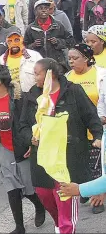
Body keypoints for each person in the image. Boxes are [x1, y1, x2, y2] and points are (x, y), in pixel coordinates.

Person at [19, 58, 103, 234]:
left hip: (68, 158)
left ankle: (65, 228)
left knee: (65, 198)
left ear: (51, 74)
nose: (34, 78)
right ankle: (59, 225)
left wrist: (97, 136)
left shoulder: (73, 91)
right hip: (42, 158)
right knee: (44, 194)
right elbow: (22, 126)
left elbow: (91, 116)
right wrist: (30, 139)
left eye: (37, 73)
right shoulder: (32, 95)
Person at [0, 62, 46, 234]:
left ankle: (40, 207)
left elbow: (32, 124)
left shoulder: (19, 99)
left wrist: (32, 146)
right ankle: (19, 227)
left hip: (22, 147)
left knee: (28, 186)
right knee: (11, 187)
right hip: (5, 148)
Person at [65, 43, 106, 214]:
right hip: (76, 131)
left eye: (75, 58)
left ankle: (97, 200)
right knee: (81, 163)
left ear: (87, 59)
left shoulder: (101, 75)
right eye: (69, 59)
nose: (71, 62)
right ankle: (84, 188)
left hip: (98, 127)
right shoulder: (67, 77)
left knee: (98, 166)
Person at [24, 0, 75, 73]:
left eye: (46, 8)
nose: (44, 10)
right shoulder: (30, 28)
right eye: (41, 8)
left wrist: (58, 42)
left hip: (57, 63)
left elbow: (70, 41)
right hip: (39, 64)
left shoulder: (58, 25)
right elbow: (24, 46)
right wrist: (33, 45)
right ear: (35, 11)